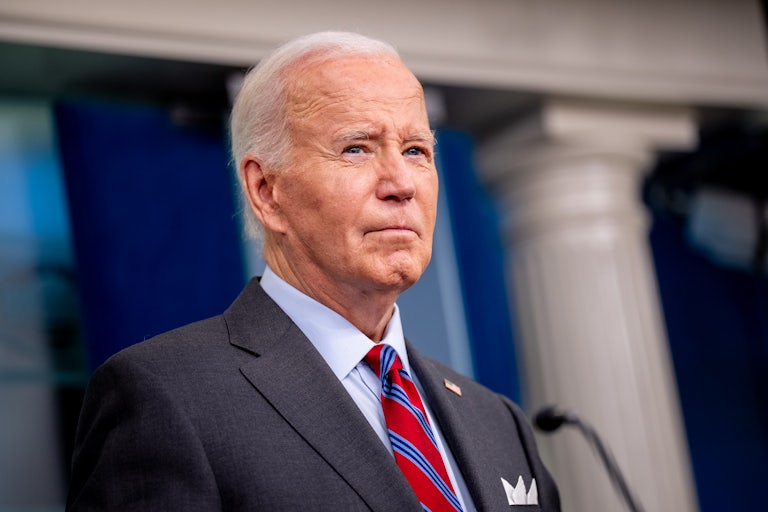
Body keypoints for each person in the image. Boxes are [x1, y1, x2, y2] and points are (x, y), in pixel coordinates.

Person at [66, 31, 561, 511]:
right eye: (356, 148)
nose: (401, 184)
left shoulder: (498, 422)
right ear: (266, 192)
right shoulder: (166, 398)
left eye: (416, 151)